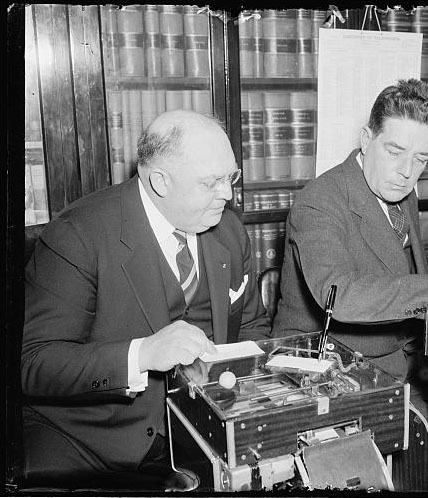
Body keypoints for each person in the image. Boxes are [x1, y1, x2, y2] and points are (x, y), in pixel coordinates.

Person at [20, 110, 271, 487]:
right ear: (160, 181)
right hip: (91, 446)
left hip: (204, 432)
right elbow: (34, 362)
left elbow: (252, 327)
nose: (228, 194)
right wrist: (142, 354)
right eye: (211, 182)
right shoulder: (78, 235)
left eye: (231, 177)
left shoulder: (230, 232)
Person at [272, 79, 428, 416]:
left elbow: (401, 276)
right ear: (366, 139)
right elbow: (339, 295)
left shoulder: (402, 193)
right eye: (394, 151)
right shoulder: (318, 200)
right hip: (324, 370)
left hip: (400, 362)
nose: (405, 172)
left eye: (420, 159)